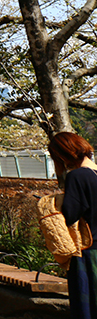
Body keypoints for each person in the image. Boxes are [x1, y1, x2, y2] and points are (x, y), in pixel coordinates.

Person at [49, 131, 97, 318]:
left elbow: (70, 214)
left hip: (88, 250)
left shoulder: (77, 177)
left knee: (87, 308)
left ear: (62, 155)